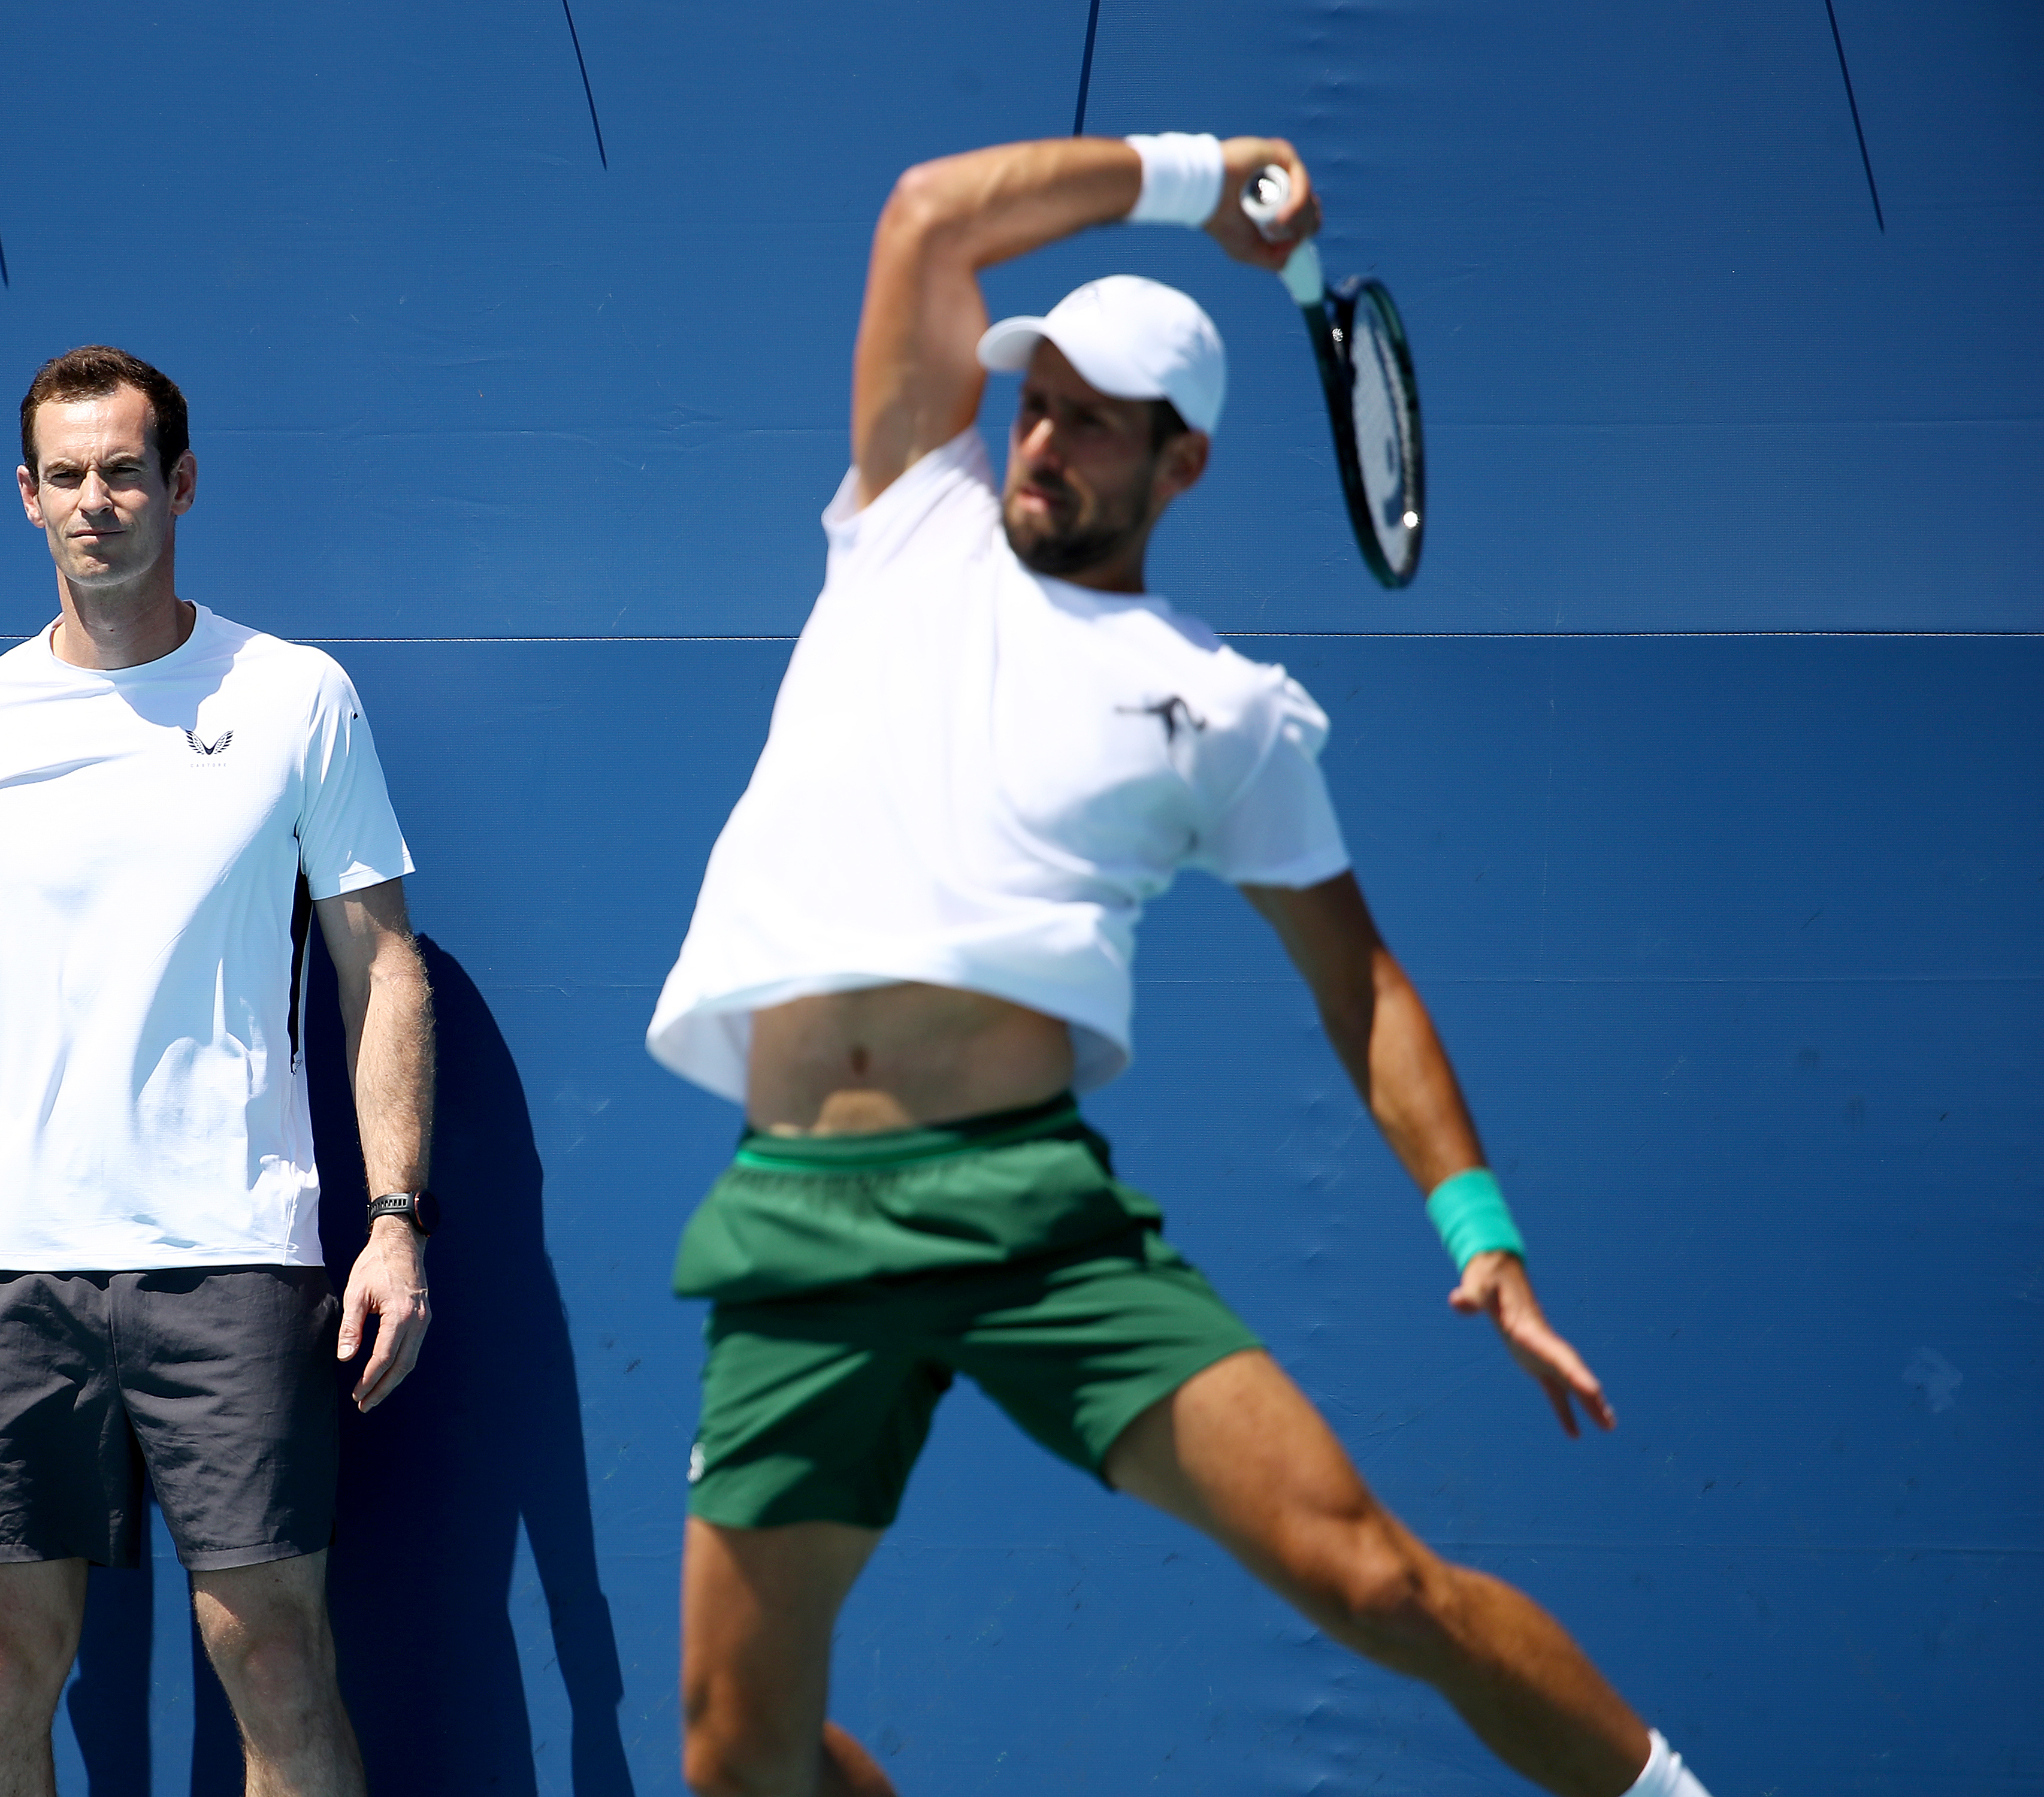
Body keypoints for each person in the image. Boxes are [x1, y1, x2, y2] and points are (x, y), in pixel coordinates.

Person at [646, 132, 1718, 1797]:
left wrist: (1483, 1234)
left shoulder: (1224, 706)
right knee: (735, 1754)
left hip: (1031, 1217)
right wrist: (1189, 174)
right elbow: (929, 212)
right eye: (1039, 398)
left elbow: (1361, 990)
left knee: (1371, 1580)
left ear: (1183, 466)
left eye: (1096, 418)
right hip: (796, 1217)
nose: (1047, 437)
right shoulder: (901, 519)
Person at [0, 346, 437, 1797]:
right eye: (65, 476)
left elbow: (383, 970)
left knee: (277, 1659)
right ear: (27, 500)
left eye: (123, 471)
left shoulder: (295, 697)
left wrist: (396, 1221)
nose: (94, 501)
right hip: (8, 1274)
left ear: (178, 483)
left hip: (234, 1259)